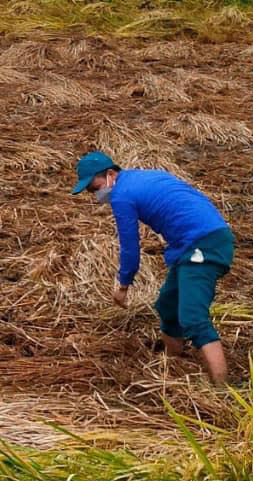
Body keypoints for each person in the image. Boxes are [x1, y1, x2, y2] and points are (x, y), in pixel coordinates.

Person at [72, 150, 234, 385]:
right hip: (192, 242)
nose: (95, 194)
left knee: (193, 317)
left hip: (204, 244)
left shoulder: (121, 195)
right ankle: (172, 365)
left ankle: (222, 389)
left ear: (110, 174)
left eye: (94, 187)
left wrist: (124, 284)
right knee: (167, 306)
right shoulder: (142, 177)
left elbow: (130, 246)